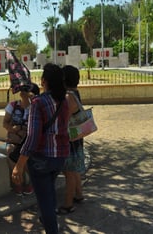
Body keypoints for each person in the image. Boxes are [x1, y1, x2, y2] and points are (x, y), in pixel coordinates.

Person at [12, 63, 70, 234]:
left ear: (44, 81)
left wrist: (19, 164)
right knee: (49, 192)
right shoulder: (65, 101)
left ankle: (50, 226)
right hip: (60, 156)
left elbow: (33, 137)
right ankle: (47, 219)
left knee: (45, 200)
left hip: (41, 159)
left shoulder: (38, 102)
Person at [57, 65, 86, 214]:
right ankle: (79, 195)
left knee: (69, 172)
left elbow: (64, 121)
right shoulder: (75, 93)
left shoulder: (68, 97)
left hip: (70, 141)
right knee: (74, 170)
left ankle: (68, 204)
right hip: (76, 139)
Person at [3, 83, 40, 196]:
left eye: (26, 90)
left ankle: (33, 184)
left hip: (29, 141)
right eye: (22, 89)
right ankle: (19, 184)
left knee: (26, 158)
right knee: (11, 153)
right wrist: (15, 130)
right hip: (14, 139)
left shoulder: (35, 107)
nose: (22, 92)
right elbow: (5, 123)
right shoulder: (13, 105)